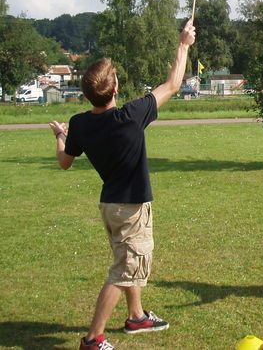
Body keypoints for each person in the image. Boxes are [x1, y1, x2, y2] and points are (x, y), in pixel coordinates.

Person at [49, 17, 196, 350]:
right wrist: (183, 44)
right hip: (130, 209)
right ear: (115, 90)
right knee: (124, 270)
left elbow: (64, 162)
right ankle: (92, 339)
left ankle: (137, 316)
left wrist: (60, 136)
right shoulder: (131, 116)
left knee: (127, 260)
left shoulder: (79, 124)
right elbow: (173, 84)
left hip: (110, 208)